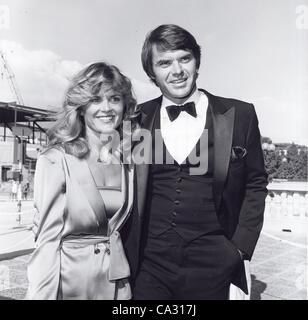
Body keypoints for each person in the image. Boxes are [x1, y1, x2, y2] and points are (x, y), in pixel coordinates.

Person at [123, 24, 268, 300]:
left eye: (184, 58)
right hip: (150, 265)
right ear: (152, 73)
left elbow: (256, 183)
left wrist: (239, 249)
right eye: (164, 63)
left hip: (216, 263)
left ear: (196, 61)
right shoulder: (135, 119)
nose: (176, 71)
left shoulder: (240, 114)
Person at [26, 62, 139, 300]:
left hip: (118, 286)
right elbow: (47, 242)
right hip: (71, 287)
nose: (107, 108)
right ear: (80, 107)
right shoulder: (56, 159)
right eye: (96, 100)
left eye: (115, 98)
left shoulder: (127, 160)